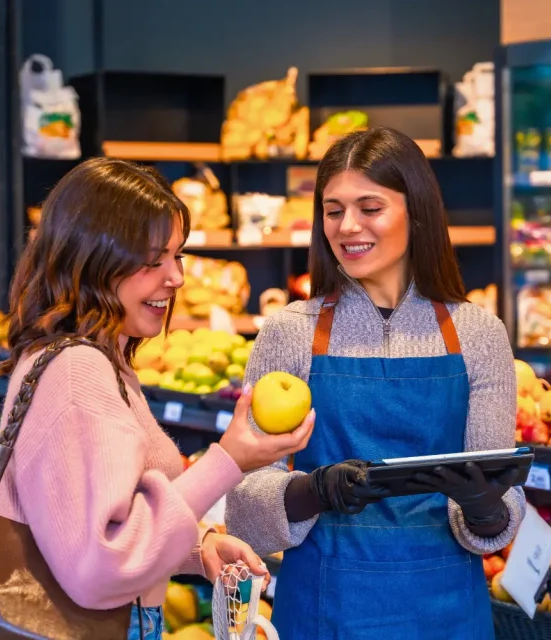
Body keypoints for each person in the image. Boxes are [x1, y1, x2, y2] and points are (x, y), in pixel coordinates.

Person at [0, 157, 315, 640]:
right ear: (93, 259)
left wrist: (196, 546)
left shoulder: (95, 358)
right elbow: (99, 565)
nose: (177, 277)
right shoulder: (79, 371)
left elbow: (100, 522)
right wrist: (228, 460)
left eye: (176, 255)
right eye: (152, 260)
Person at [225, 127, 526, 639]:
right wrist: (311, 491)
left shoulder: (479, 335)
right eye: (333, 210)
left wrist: (483, 502)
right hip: (326, 609)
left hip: (447, 614)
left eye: (370, 207)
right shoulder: (288, 333)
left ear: (417, 211)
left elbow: (502, 515)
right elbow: (244, 507)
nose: (348, 227)